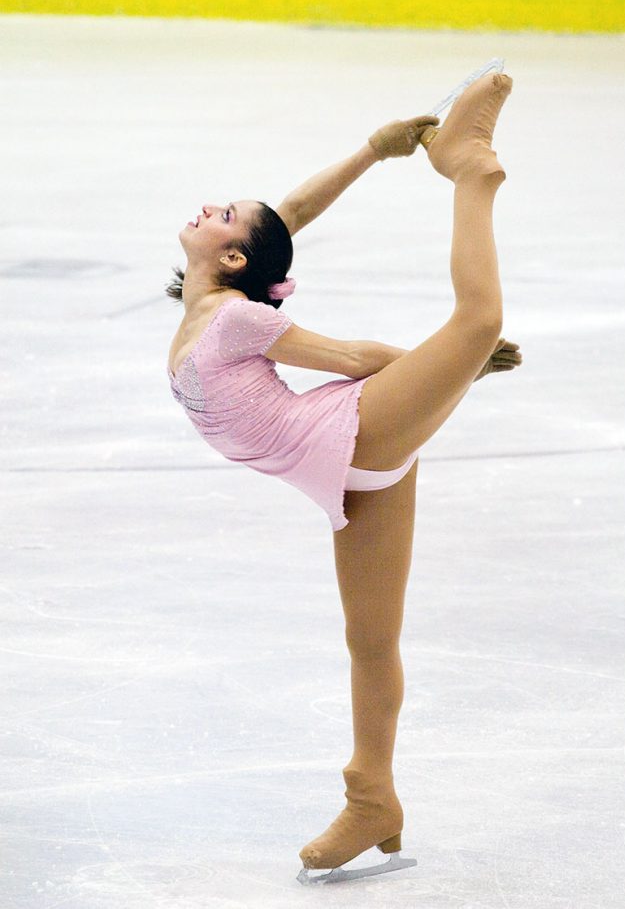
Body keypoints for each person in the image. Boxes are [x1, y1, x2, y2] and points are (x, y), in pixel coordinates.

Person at [165, 71, 522, 884]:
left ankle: (472, 167)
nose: (211, 208)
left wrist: (452, 367)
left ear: (230, 256)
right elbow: (282, 220)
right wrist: (371, 150)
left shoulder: (236, 316)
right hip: (351, 475)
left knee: (476, 322)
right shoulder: (202, 300)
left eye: (222, 215)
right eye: (224, 211)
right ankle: (374, 795)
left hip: (353, 429)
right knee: (370, 639)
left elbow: (353, 358)